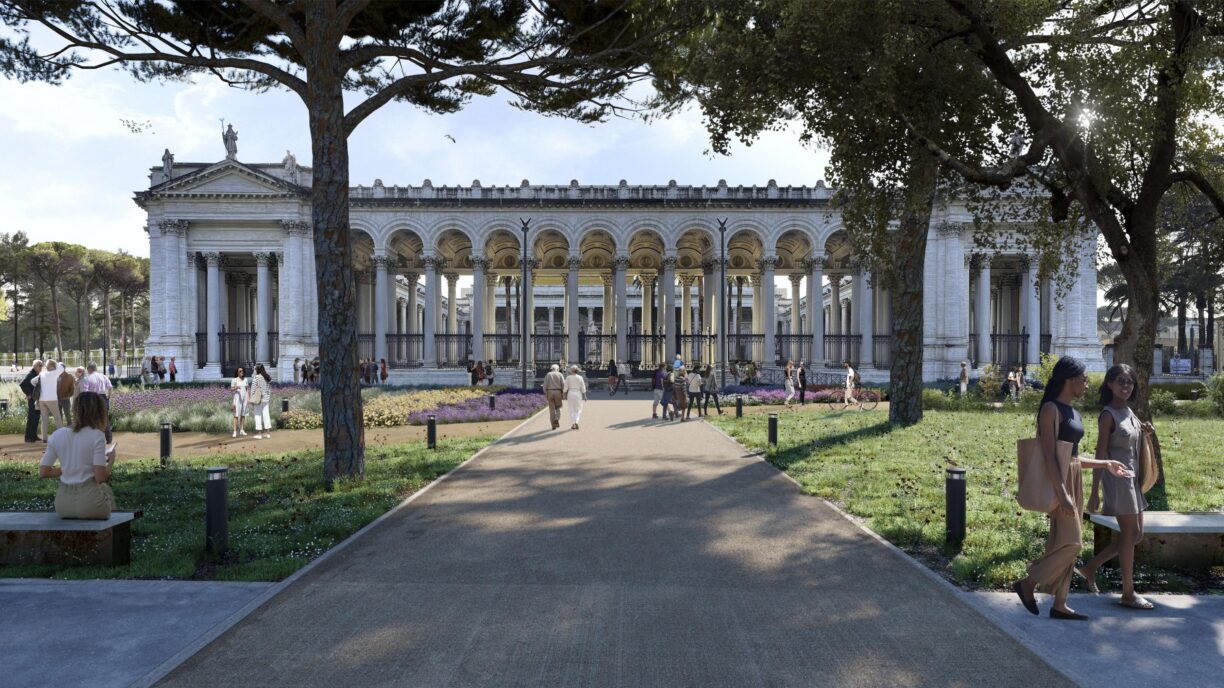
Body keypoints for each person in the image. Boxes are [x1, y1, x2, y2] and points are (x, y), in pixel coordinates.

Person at [1012, 356, 1133, 621]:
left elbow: (1073, 458)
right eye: (1084, 380)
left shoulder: (1073, 412)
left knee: (1062, 541)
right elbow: (1049, 456)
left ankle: (1060, 603)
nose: (1088, 385)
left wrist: (1106, 463)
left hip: (1073, 476)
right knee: (1073, 542)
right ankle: (1028, 583)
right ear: (1069, 380)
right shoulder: (1050, 410)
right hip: (1060, 482)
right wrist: (1063, 493)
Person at [1078, 364, 1155, 610]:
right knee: (1130, 534)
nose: (1126, 386)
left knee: (1135, 535)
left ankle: (1089, 568)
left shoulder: (1130, 412)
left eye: (1130, 382)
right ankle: (1128, 593)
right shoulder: (1108, 414)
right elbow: (1100, 453)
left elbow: (1134, 444)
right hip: (1117, 480)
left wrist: (1147, 434)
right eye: (1121, 381)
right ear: (1110, 384)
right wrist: (1094, 493)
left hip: (1133, 479)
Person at [38, 392, 117, 520]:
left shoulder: (57, 435)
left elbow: (43, 472)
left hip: (63, 506)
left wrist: (68, 468)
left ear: (75, 410)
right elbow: (100, 477)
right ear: (99, 412)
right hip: (90, 504)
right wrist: (111, 460)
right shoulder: (97, 435)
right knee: (106, 490)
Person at [81, 362, 114, 444]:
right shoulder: (103, 376)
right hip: (103, 397)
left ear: (89, 369)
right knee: (104, 418)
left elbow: (85, 391)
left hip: (93, 398)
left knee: (92, 419)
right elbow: (110, 387)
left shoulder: (87, 378)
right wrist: (108, 397)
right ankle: (109, 439)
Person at [38, 359, 65, 441]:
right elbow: (62, 368)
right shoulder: (54, 373)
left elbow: (33, 381)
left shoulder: (41, 374)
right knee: (57, 418)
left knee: (44, 419)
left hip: (42, 399)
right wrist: (55, 363)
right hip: (52, 399)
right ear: (52, 366)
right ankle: (61, 437)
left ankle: (44, 438)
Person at [20, 360, 44, 443]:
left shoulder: (37, 374)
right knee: (32, 418)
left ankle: (33, 435)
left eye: (42, 365)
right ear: (34, 366)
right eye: (39, 365)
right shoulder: (30, 374)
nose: (41, 367)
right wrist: (28, 394)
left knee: (36, 417)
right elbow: (22, 384)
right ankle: (28, 437)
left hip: (36, 399)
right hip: (32, 400)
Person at [249, 364, 273, 439]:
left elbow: (253, 389)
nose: (255, 370)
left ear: (257, 370)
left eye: (256, 369)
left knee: (258, 415)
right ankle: (268, 433)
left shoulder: (256, 378)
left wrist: (251, 399)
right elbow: (269, 389)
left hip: (258, 399)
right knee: (266, 415)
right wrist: (268, 397)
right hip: (266, 399)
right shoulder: (267, 377)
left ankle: (259, 434)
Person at [563, 365, 587, 430]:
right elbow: (583, 387)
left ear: (571, 370)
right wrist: (584, 395)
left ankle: (573, 424)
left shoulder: (568, 377)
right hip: (578, 394)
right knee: (578, 409)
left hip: (570, 393)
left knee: (571, 409)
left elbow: (565, 387)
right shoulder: (580, 377)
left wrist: (564, 394)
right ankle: (576, 421)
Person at [543, 364, 565, 430]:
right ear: (557, 369)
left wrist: (545, 392)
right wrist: (563, 393)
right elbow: (563, 384)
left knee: (551, 409)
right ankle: (557, 418)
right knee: (559, 407)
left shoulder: (548, 374)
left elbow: (545, 385)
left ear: (551, 368)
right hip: (558, 392)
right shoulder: (560, 374)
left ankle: (553, 426)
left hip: (550, 392)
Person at [230, 367, 249, 438]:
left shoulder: (246, 380)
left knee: (243, 415)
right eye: (240, 371)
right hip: (237, 399)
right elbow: (231, 389)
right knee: (236, 415)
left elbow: (247, 389)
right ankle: (235, 431)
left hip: (244, 399)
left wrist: (248, 398)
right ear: (237, 372)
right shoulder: (234, 380)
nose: (242, 372)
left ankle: (242, 430)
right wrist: (236, 388)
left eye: (242, 371)